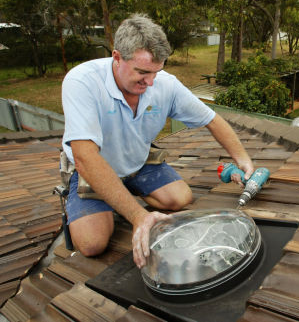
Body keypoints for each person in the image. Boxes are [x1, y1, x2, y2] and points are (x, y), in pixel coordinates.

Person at [61, 13, 254, 269]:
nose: (150, 82)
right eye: (142, 72)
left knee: (180, 198)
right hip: (92, 168)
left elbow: (212, 119)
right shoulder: (82, 82)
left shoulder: (165, 85)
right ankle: (112, 197)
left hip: (136, 162)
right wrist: (139, 216)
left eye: (156, 72)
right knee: (92, 244)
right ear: (117, 57)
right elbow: (85, 157)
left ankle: (121, 194)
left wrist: (243, 160)